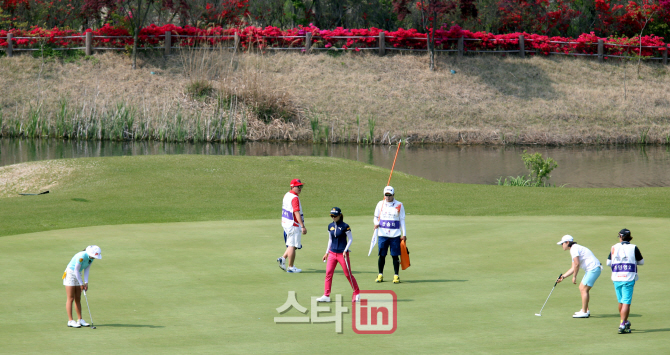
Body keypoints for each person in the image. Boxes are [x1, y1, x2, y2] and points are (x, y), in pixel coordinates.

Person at [316, 207, 361, 303]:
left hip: (342, 254)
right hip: (332, 253)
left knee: (347, 274)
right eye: (331, 216)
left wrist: (345, 250)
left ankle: (356, 292)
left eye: (335, 216)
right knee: (328, 273)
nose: (333, 217)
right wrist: (326, 252)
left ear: (339, 215)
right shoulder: (330, 226)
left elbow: (350, 239)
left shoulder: (345, 226)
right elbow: (330, 240)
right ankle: (326, 295)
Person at [607, 228, 644, 334]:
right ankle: (622, 325)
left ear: (621, 237)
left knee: (621, 301)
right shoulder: (634, 247)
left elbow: (608, 262)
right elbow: (641, 262)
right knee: (626, 302)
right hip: (628, 277)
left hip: (616, 277)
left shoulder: (614, 247)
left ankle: (624, 321)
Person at [556, 235, 602, 318]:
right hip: (592, 269)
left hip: (593, 269)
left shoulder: (574, 249)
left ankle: (584, 312)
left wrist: (574, 276)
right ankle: (585, 310)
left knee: (584, 288)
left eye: (562, 243)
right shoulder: (574, 249)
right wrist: (563, 277)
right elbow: (573, 267)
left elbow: (577, 264)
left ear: (567, 242)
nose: (562, 245)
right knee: (582, 288)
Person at [63, 245, 102, 328]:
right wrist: (81, 283)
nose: (95, 257)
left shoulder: (91, 258)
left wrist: (86, 282)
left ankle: (80, 319)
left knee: (78, 297)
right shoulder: (82, 256)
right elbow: (76, 270)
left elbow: (87, 269)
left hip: (78, 274)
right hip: (70, 273)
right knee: (71, 298)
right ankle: (70, 321)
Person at [373, 186, 406, 284]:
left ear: (393, 195)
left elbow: (402, 220)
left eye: (389, 195)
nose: (387, 197)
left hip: (395, 235)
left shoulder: (399, 205)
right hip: (382, 234)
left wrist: (404, 234)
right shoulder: (380, 204)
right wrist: (376, 223)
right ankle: (380, 274)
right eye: (386, 195)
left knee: (395, 256)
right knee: (382, 255)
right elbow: (375, 217)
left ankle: (396, 276)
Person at [277, 179, 306, 273]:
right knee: (292, 245)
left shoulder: (287, 195)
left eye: (301, 186)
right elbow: (296, 212)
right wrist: (302, 226)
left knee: (291, 244)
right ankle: (290, 267)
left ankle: (283, 258)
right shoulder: (294, 198)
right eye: (298, 187)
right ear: (292, 186)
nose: (300, 188)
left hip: (286, 223)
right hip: (293, 224)